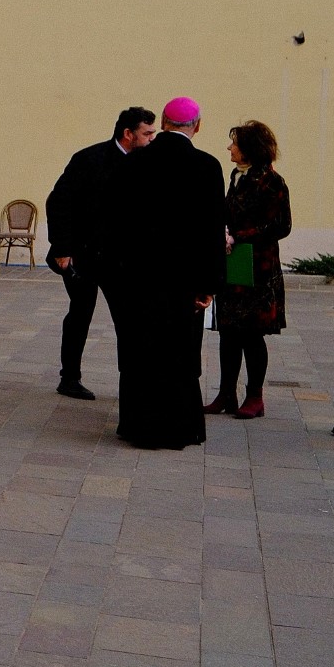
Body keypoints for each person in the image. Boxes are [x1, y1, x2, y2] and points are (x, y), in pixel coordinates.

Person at [106, 96, 226, 449]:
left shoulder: (133, 162)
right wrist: (210, 284)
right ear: (197, 125)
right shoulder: (206, 166)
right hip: (184, 282)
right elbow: (211, 230)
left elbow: (117, 224)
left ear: (165, 123)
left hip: (139, 278)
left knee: (141, 352)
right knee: (181, 353)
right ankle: (179, 427)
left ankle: (138, 426)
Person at [46, 106, 157, 400]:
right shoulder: (89, 159)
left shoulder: (148, 162)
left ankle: (131, 380)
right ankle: (69, 377)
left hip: (119, 259)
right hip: (81, 255)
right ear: (128, 133)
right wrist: (62, 249)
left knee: (128, 318)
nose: (151, 139)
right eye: (146, 133)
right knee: (81, 313)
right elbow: (59, 202)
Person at [204, 121, 291, 419]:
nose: (230, 148)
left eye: (235, 143)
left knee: (252, 334)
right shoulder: (236, 176)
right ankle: (226, 393)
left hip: (258, 268)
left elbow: (282, 226)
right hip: (233, 262)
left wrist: (238, 236)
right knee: (228, 331)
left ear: (250, 147)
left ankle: (255, 396)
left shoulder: (271, 181)